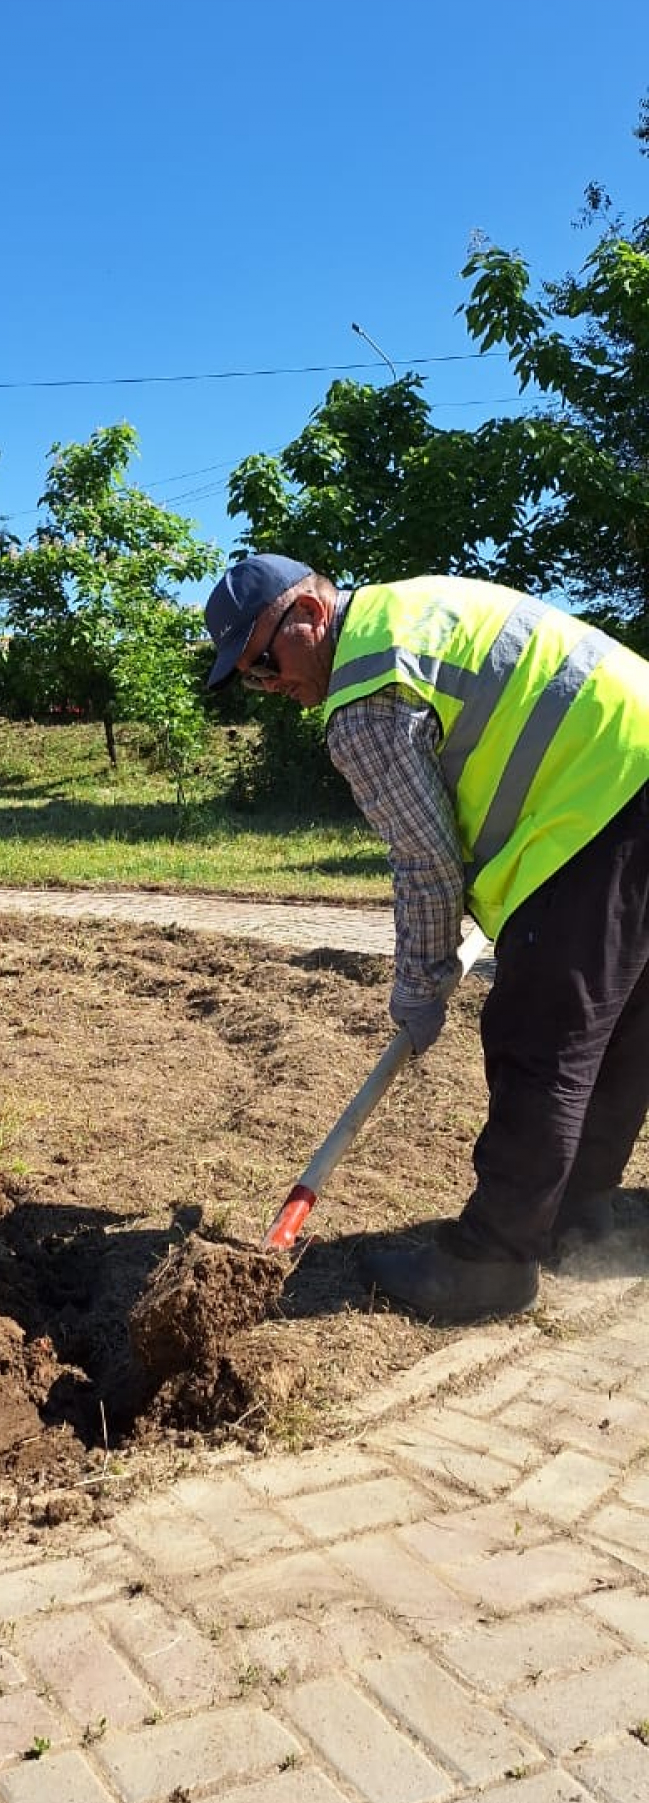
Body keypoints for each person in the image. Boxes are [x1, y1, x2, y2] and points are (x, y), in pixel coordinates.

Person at [203, 554, 649, 1324]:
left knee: (538, 1036)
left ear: (308, 615)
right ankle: (579, 1216)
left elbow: (426, 863)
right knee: (623, 1023)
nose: (273, 687)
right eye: (251, 678)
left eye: (266, 661)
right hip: (630, 758)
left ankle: (489, 1264)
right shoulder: (407, 613)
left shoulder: (363, 695)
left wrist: (418, 988)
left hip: (596, 801)